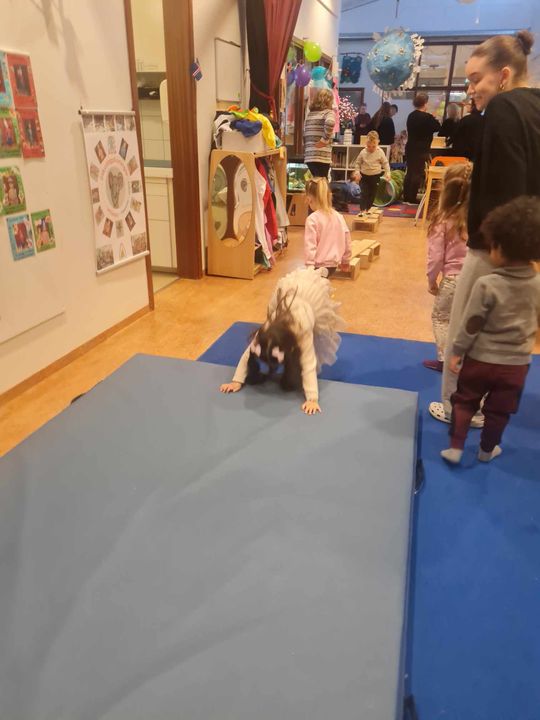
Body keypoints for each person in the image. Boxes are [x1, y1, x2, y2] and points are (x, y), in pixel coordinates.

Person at [429, 30, 540, 424]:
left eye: (477, 79)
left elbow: (506, 180)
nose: (471, 89)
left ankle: (460, 407)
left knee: (466, 329)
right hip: (522, 246)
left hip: (494, 244)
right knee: (500, 332)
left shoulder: (504, 108)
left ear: (504, 75)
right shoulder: (534, 107)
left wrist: (496, 243)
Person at [440, 196, 540, 465]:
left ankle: (456, 447)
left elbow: (471, 323)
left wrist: (457, 351)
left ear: (499, 248)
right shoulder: (537, 284)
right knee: (499, 412)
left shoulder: (486, 284)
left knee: (465, 401)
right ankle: (487, 450)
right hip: (516, 366)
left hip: (480, 361)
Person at [219, 266, 345, 415]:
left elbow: (308, 364)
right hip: (285, 306)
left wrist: (312, 399)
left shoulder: (303, 332)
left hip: (306, 307)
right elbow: (248, 354)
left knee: (301, 359)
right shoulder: (265, 332)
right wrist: (236, 381)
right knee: (270, 347)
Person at [424, 163, 471, 372]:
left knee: (441, 318)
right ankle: (464, 358)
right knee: (464, 319)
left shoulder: (442, 220)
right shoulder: (475, 218)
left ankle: (445, 359)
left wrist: (431, 280)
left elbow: (435, 257)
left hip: (452, 280)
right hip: (474, 278)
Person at [304, 177, 352, 276]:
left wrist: (309, 267)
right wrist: (346, 260)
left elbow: (310, 245)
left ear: (309, 199)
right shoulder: (339, 216)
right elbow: (347, 239)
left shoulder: (312, 219)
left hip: (317, 266)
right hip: (333, 265)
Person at [403, 93, 441, 204]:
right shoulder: (427, 117)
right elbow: (437, 127)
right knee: (418, 173)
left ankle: (406, 196)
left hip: (410, 147)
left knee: (410, 172)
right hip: (422, 149)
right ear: (425, 103)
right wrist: (434, 117)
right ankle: (412, 197)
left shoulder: (411, 115)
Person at [353, 130, 391, 214]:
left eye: (373, 146)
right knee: (364, 193)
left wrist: (388, 173)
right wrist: (357, 172)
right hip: (364, 176)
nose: (371, 148)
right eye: (368, 146)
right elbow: (358, 163)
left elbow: (385, 163)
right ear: (366, 143)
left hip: (375, 176)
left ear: (378, 142)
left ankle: (368, 208)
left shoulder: (380, 152)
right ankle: (362, 210)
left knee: (372, 193)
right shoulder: (363, 152)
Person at [303, 88, 336, 178]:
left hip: (309, 155)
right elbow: (330, 123)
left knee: (315, 180)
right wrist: (324, 140)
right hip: (322, 156)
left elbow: (305, 133)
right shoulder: (328, 113)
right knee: (322, 181)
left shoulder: (311, 114)